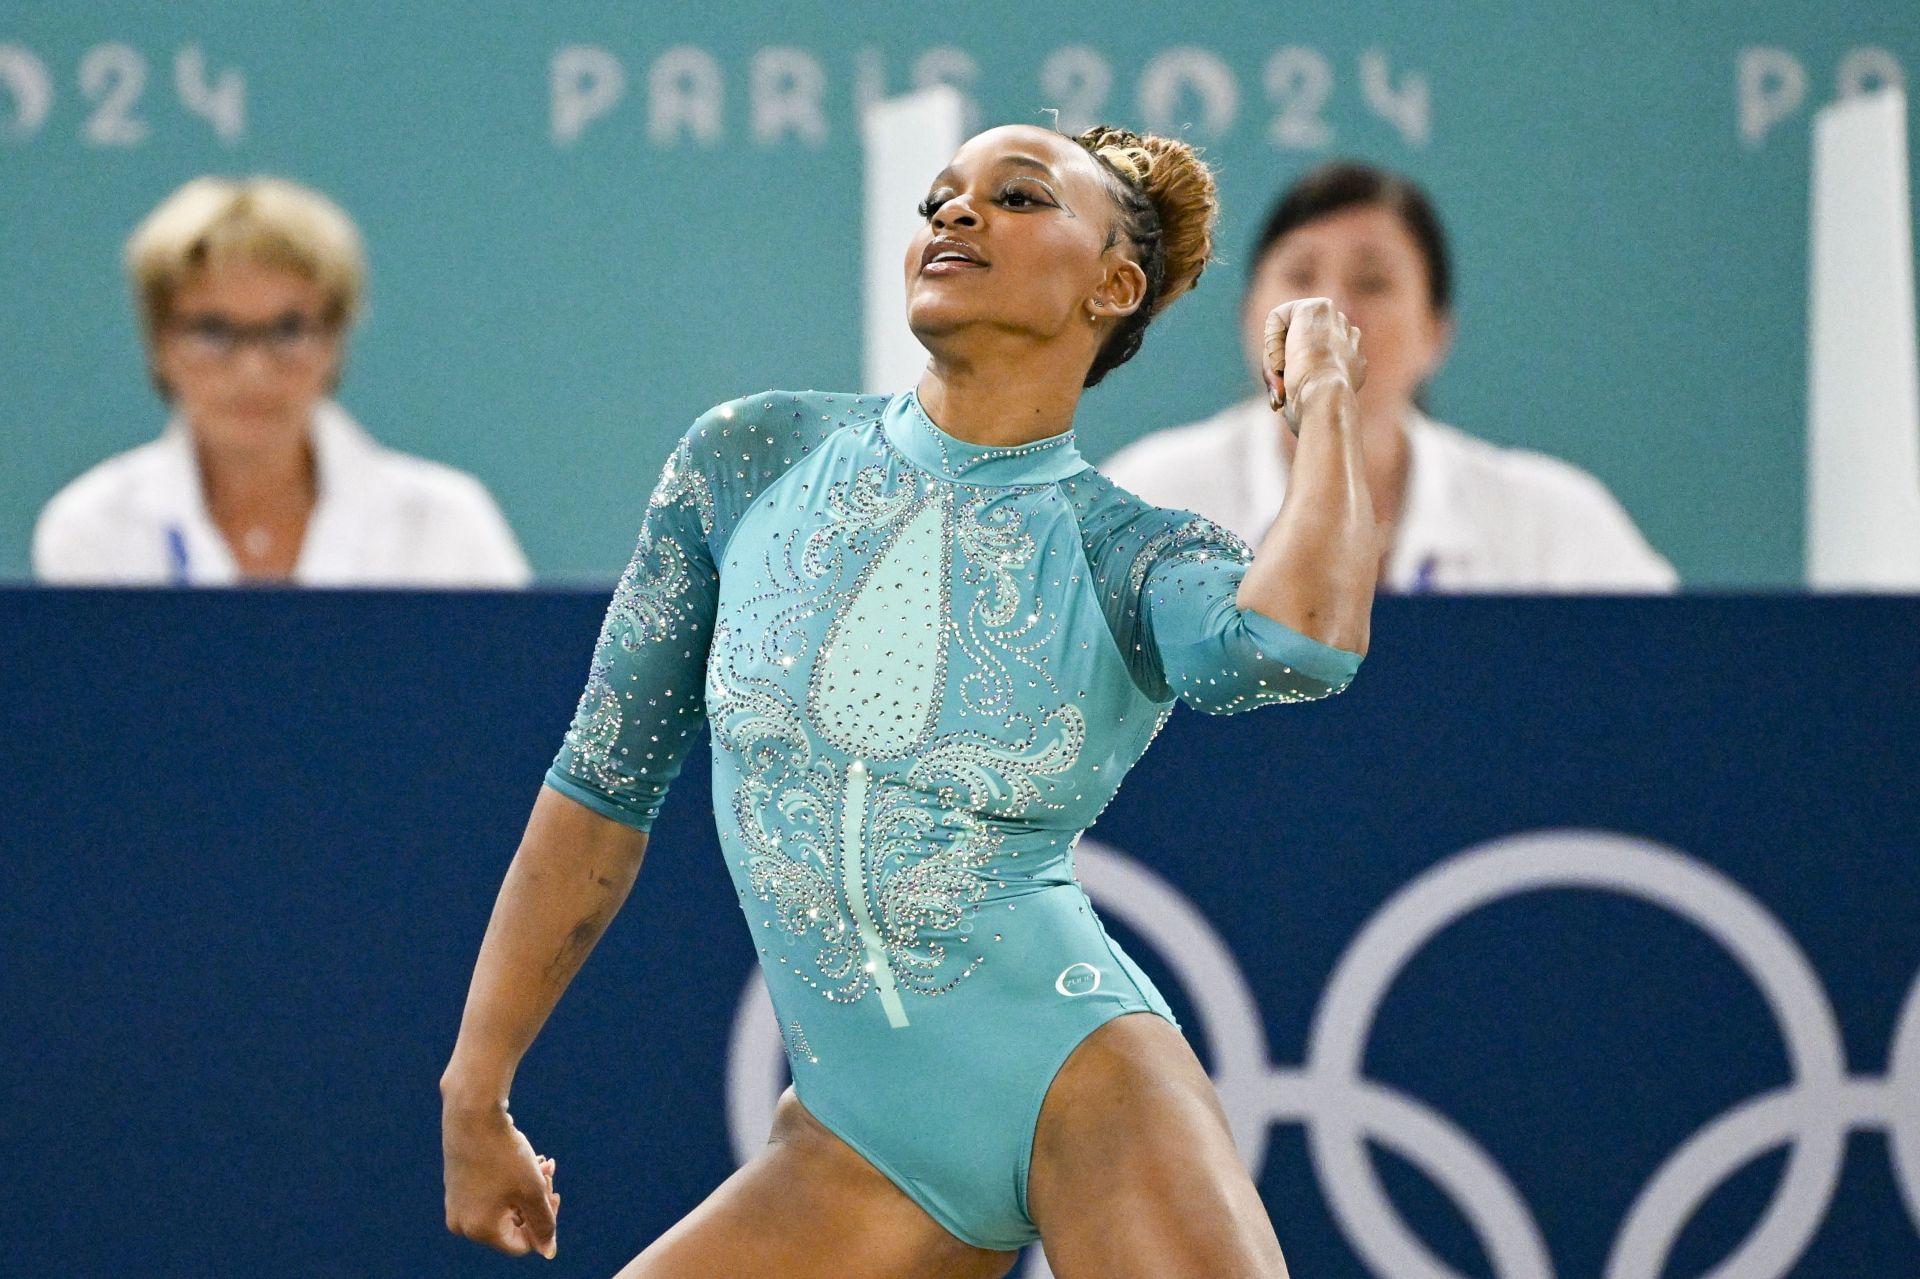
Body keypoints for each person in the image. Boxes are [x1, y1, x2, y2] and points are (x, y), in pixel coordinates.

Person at [440, 123, 1376, 1278]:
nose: (956, 214)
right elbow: (602, 781)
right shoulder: (747, 460)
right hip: (858, 1144)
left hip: (1083, 1082)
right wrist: (477, 1085)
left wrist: (1329, 400)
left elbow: (1298, 646)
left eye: (1018, 197)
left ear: (1114, 287)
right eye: (942, 198)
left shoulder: (1124, 553)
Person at [1102, 161, 1677, 592]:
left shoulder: (1553, 523)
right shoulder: (1149, 502)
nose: (1329, 310)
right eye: (1299, 275)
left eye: (1373, 282)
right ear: (1247, 315)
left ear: (1437, 331)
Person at [32, 176, 530, 587]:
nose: (254, 368)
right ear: (159, 343)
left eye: (288, 331)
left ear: (336, 340)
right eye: (213, 331)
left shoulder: (444, 522)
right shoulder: (92, 525)